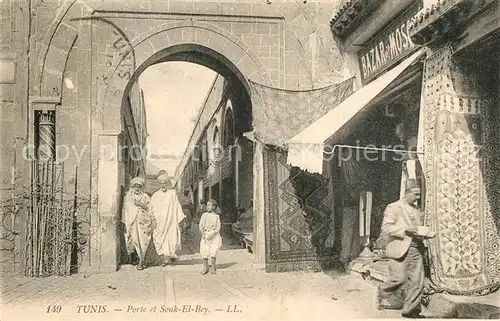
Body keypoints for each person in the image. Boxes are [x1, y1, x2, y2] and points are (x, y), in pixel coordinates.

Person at [376, 179, 435, 318]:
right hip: (400, 248)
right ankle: (381, 290)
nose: (418, 198)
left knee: (418, 282)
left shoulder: (415, 209)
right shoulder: (394, 207)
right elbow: (386, 228)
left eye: (419, 194)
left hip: (416, 249)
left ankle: (410, 311)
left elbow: (417, 229)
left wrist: (425, 234)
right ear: (407, 193)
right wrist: (405, 230)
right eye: (415, 194)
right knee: (399, 280)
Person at [149, 172, 186, 266]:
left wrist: (179, 221)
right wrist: (153, 220)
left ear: (167, 183)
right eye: (161, 183)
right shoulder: (155, 195)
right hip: (160, 222)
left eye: (165, 183)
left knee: (171, 239)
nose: (163, 185)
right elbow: (151, 209)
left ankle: (167, 258)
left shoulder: (172, 194)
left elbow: (177, 206)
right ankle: (167, 256)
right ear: (159, 184)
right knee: (161, 239)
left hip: (171, 221)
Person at [121, 177, 155, 270]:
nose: (137, 188)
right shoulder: (128, 196)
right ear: (132, 187)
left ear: (142, 187)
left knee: (142, 242)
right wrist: (123, 222)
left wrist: (141, 205)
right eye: (135, 186)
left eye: (139, 186)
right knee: (131, 241)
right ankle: (134, 258)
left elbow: (150, 208)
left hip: (142, 222)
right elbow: (124, 209)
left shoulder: (145, 196)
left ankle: (141, 260)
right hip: (130, 222)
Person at [199, 199, 222, 275]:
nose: (207, 207)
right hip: (205, 234)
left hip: (214, 235)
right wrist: (203, 234)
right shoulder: (204, 215)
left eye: (209, 205)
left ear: (214, 207)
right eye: (207, 205)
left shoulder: (216, 216)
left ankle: (212, 267)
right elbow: (201, 225)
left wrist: (213, 233)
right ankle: (205, 267)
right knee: (204, 250)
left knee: (213, 250)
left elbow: (218, 227)